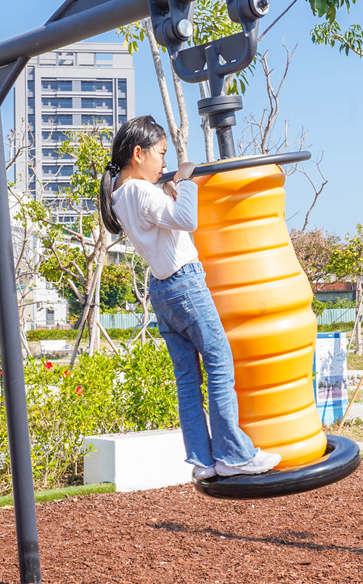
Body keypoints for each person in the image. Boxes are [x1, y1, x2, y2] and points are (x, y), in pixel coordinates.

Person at [98, 116, 281, 480]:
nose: (164, 164)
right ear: (139, 153)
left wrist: (169, 189)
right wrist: (186, 179)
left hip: (162, 291)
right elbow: (187, 220)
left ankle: (202, 461)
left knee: (187, 378)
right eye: (161, 154)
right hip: (185, 284)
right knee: (219, 364)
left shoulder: (120, 196)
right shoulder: (138, 190)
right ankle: (233, 454)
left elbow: (162, 222)